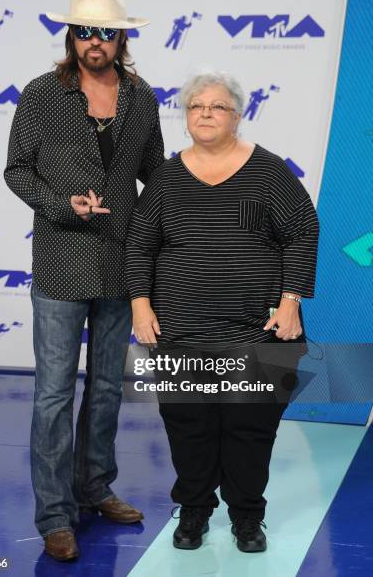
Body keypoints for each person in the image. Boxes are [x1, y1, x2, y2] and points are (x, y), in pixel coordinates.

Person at [126, 71, 319, 552]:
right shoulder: (166, 178)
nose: (205, 114)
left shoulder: (270, 172)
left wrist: (292, 299)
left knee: (249, 429)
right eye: (196, 106)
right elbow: (139, 246)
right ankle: (193, 512)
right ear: (186, 117)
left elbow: (302, 231)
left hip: (260, 329)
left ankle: (248, 516)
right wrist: (140, 304)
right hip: (181, 329)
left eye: (217, 107)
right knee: (189, 427)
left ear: (238, 116)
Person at [4, 0, 164, 561]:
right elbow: (16, 171)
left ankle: (94, 488)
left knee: (106, 391)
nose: (95, 42)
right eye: (85, 31)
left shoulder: (141, 97)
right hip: (60, 260)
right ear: (70, 35)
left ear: (122, 38)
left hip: (120, 263)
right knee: (52, 395)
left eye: (106, 32)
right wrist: (60, 203)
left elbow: (156, 179)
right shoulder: (42, 93)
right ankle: (54, 515)